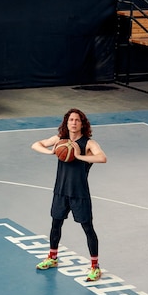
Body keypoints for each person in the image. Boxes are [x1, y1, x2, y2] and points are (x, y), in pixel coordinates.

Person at [31, 108, 107, 282]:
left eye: (77, 120)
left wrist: (78, 156)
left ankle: (95, 267)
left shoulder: (88, 143)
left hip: (79, 193)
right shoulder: (60, 140)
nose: (73, 123)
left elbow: (102, 158)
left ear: (82, 124)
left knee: (88, 228)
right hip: (60, 191)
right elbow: (35, 144)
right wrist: (51, 151)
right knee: (55, 224)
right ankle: (52, 257)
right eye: (71, 120)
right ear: (66, 123)